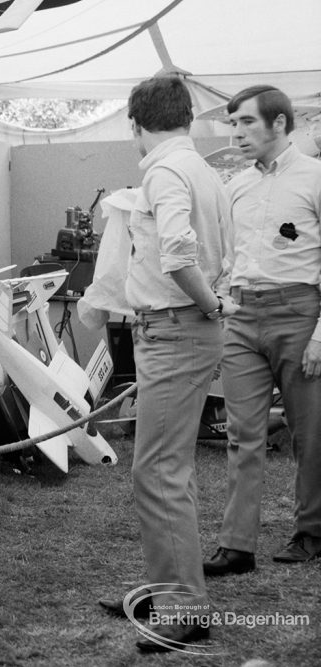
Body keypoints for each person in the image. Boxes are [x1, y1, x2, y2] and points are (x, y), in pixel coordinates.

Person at [97, 76, 237, 652]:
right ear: (186, 117)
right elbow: (220, 251)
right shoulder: (204, 169)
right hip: (184, 330)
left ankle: (183, 608)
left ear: (136, 123)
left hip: (177, 329)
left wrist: (208, 305)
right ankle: (170, 588)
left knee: (156, 472)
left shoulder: (162, 169)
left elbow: (179, 252)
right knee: (167, 468)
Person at [204, 85, 321, 576]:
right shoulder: (234, 186)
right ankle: (237, 546)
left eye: (246, 123)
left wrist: (320, 335)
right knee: (241, 433)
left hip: (300, 314)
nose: (237, 134)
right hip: (242, 315)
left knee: (310, 435)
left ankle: (312, 533)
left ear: (279, 124)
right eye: (233, 124)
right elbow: (226, 256)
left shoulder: (315, 178)